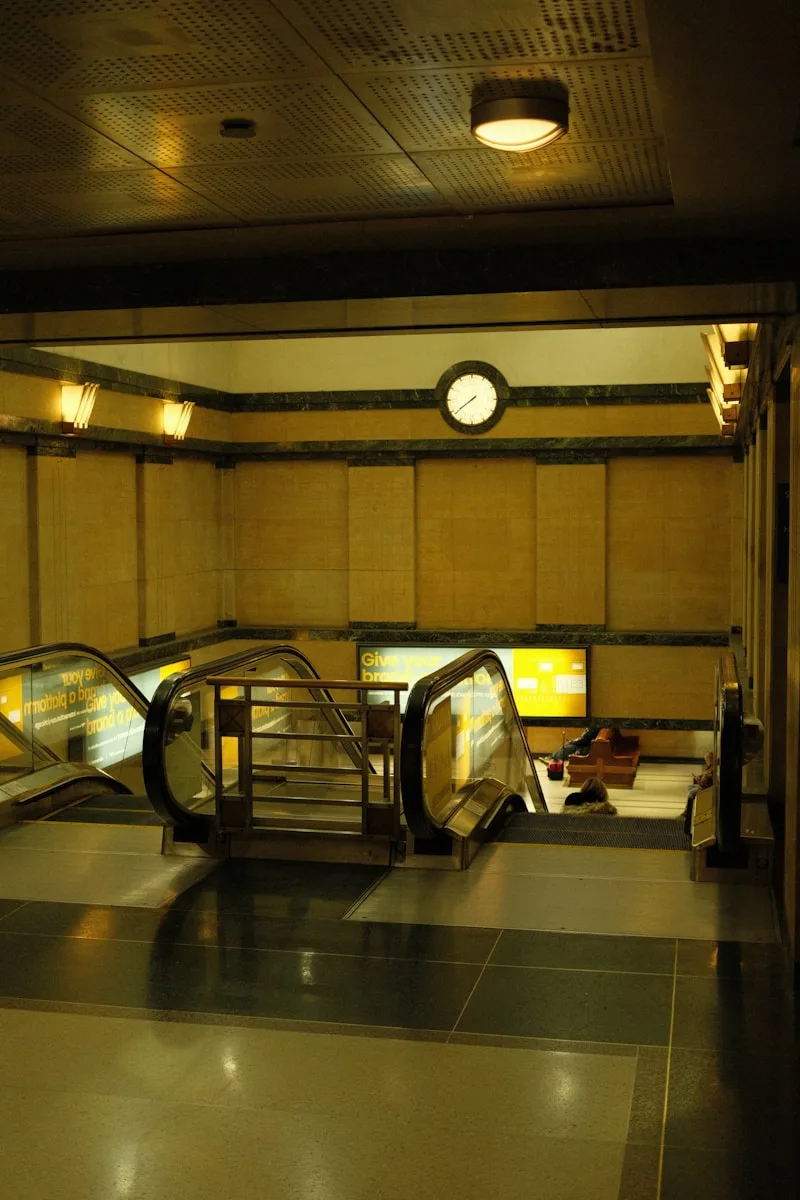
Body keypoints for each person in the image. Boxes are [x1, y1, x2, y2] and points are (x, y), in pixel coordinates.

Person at [680, 751, 714, 837]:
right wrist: (698, 777)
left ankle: (687, 811)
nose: (706, 761)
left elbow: (705, 781)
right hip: (703, 787)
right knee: (691, 788)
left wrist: (698, 779)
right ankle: (686, 809)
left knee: (691, 792)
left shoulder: (712, 769)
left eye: (706, 760)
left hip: (705, 790)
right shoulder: (710, 767)